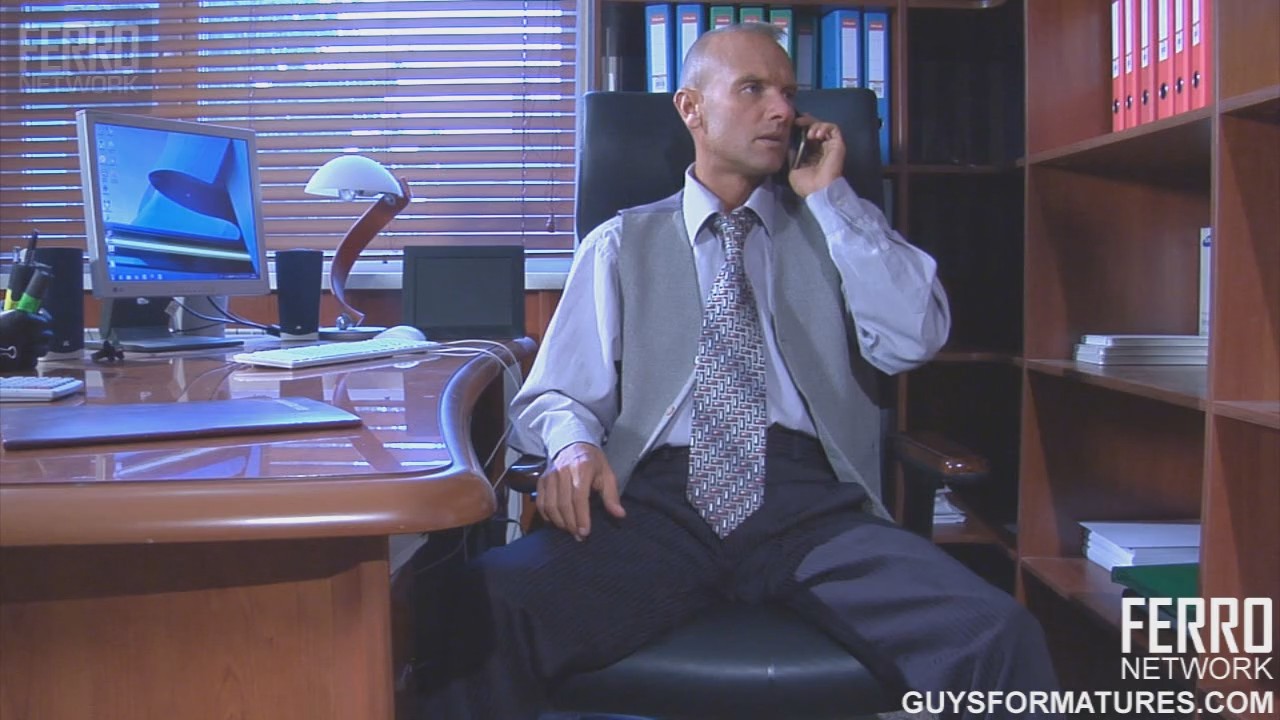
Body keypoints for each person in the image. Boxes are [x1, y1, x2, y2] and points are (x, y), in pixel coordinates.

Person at [418, 22, 1060, 720]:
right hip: (653, 506)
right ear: (691, 108)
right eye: (753, 89)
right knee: (484, 605)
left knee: (995, 635)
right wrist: (572, 444)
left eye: (788, 93)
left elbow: (913, 341)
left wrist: (832, 200)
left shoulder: (837, 229)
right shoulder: (619, 243)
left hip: (809, 505)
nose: (781, 110)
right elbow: (557, 393)